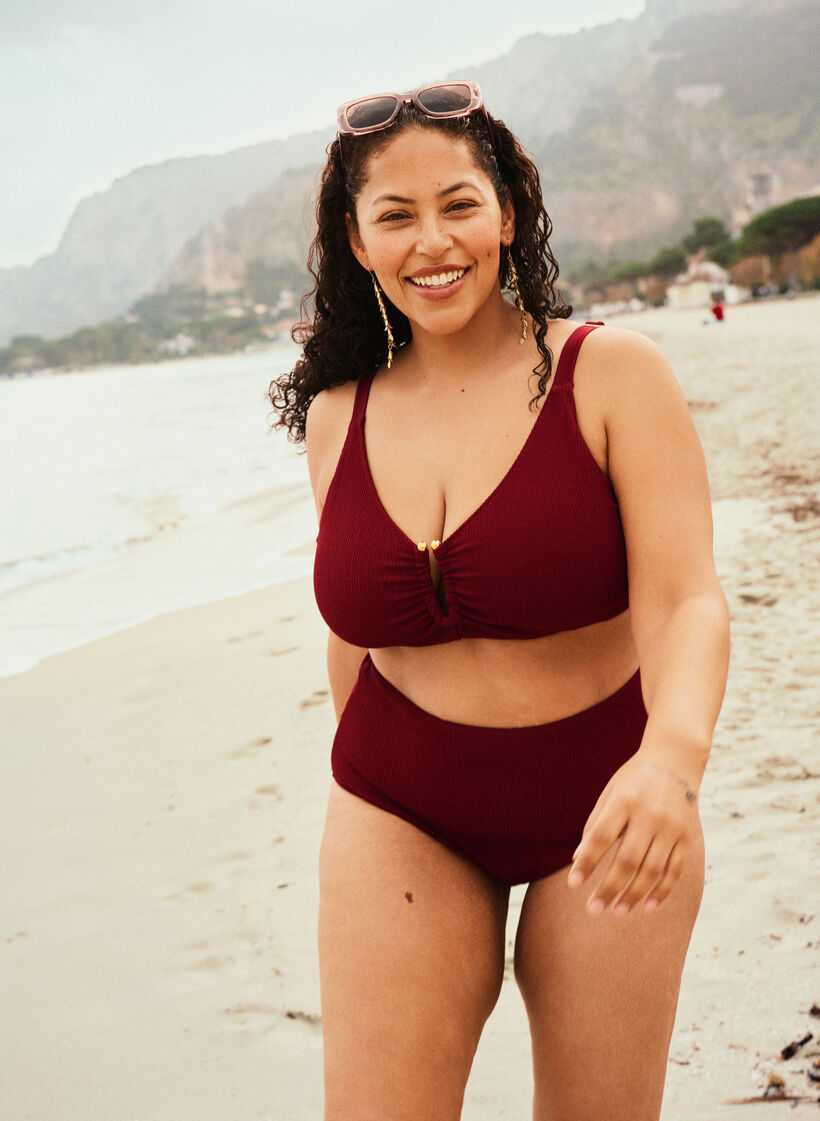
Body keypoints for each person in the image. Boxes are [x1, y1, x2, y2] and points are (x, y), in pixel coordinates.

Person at [268, 80, 730, 1121]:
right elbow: (354, 631)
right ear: (355, 242)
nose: (432, 241)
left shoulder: (609, 372)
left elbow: (686, 597)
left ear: (507, 213)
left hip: (607, 804)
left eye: (458, 203)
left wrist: (671, 763)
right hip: (403, 805)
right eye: (394, 215)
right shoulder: (338, 416)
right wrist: (371, 773)